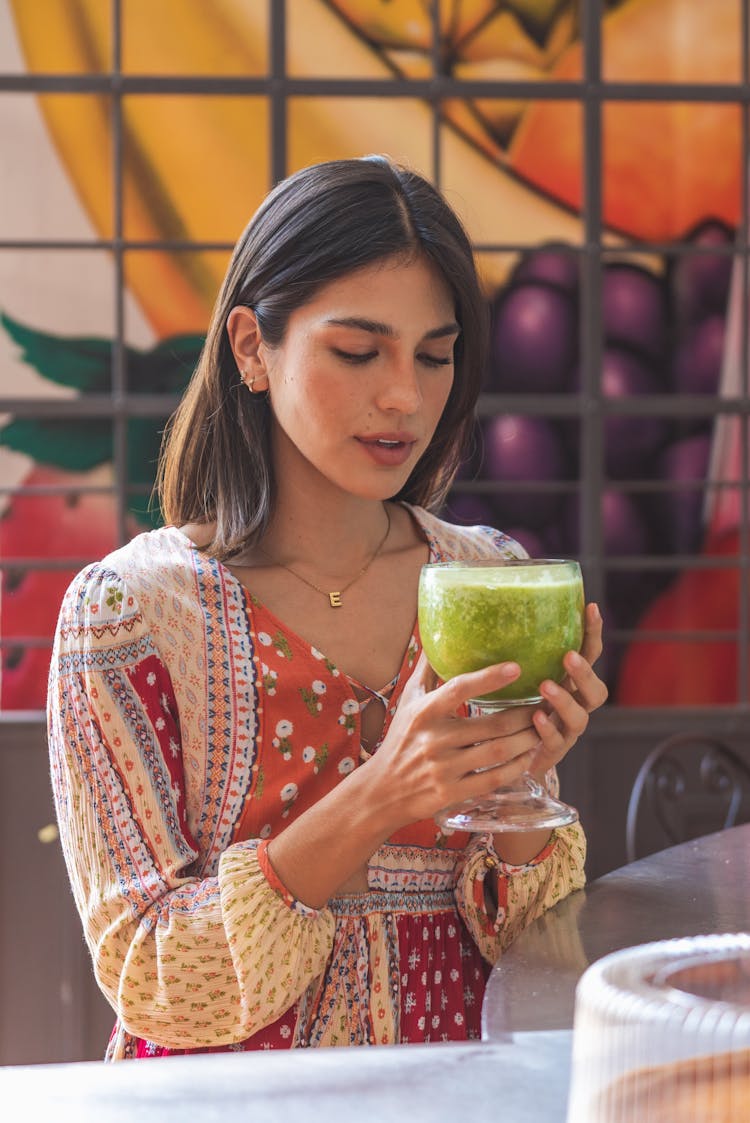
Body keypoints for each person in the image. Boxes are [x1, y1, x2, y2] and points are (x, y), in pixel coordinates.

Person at [47, 156, 607, 1060]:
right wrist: (384, 792)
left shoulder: (488, 579)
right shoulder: (128, 615)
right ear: (249, 348)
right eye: (357, 351)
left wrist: (520, 795)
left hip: (460, 1090)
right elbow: (150, 974)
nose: (406, 396)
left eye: (435, 355)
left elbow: (535, 954)